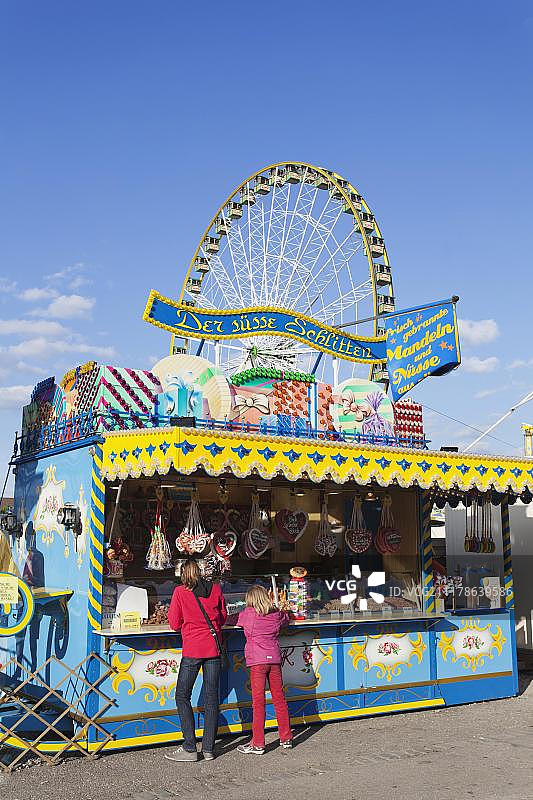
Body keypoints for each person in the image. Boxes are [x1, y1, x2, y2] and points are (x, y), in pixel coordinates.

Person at [165, 559, 227, 762]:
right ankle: (208, 749)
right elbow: (223, 617)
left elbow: (174, 624)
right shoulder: (216, 589)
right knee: (211, 699)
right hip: (213, 650)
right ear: (199, 572)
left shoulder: (180, 592)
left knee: (182, 696)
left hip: (192, 650)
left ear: (183, 574)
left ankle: (190, 747)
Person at [236, 585, 293, 755]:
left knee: (258, 702)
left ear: (250, 600)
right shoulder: (276, 614)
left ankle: (258, 744)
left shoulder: (248, 614)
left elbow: (230, 619)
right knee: (279, 699)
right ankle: (286, 738)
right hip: (274, 660)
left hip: (257, 662)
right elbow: (286, 618)